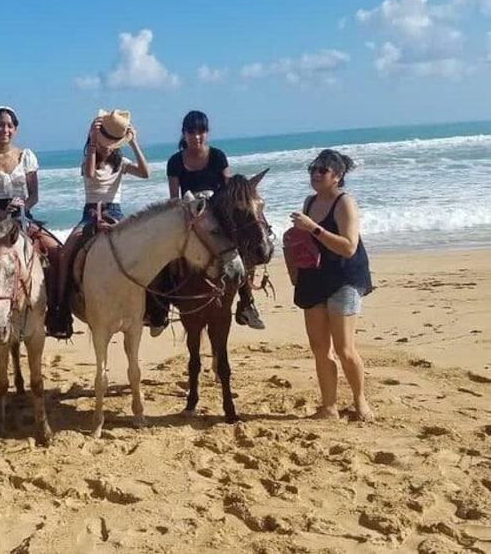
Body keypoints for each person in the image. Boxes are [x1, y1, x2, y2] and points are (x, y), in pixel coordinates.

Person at [149, 110, 264, 333]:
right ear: (184, 134)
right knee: (164, 252)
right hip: (189, 212)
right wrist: (189, 211)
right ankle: (160, 311)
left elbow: (228, 188)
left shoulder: (218, 156)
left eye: (201, 131)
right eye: (191, 132)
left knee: (239, 249)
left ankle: (246, 303)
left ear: (207, 132)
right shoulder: (175, 161)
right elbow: (174, 197)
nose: (197, 137)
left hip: (218, 213)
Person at [0, 106, 64, 337]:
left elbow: (34, 194)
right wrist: (0, 213)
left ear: (15, 129)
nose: (4, 129)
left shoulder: (26, 156)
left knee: (56, 252)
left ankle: (56, 308)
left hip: (22, 217)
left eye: (9, 125)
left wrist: (23, 207)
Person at [289, 148, 373, 422]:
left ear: (337, 176)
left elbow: (348, 247)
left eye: (321, 170)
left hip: (344, 277)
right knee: (319, 347)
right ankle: (329, 407)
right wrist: (295, 271)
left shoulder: (345, 203)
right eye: (312, 169)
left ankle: (360, 402)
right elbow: (305, 243)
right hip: (315, 278)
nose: (315, 174)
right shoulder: (309, 202)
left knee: (344, 348)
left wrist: (313, 227)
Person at [55, 109, 150, 334]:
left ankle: (153, 308)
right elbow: (89, 173)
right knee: (65, 253)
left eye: (113, 142)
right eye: (104, 140)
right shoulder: (88, 159)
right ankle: (60, 309)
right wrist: (92, 142)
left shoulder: (121, 162)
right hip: (90, 213)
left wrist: (134, 143)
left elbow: (145, 173)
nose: (108, 146)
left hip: (115, 212)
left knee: (144, 251)